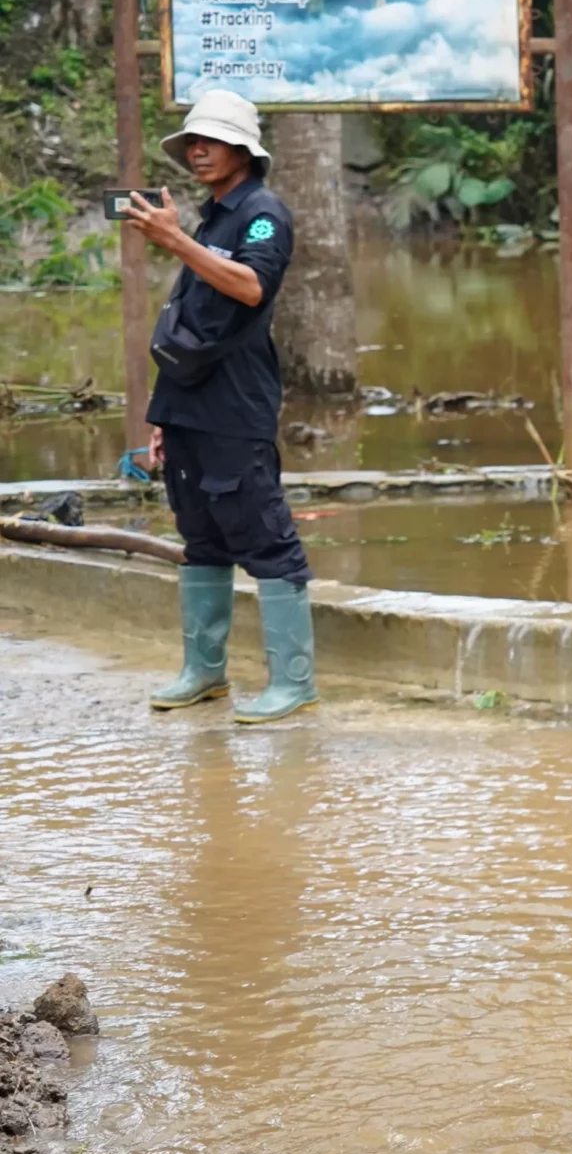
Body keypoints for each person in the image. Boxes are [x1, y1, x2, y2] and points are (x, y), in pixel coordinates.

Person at [131, 89, 319, 723]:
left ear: (246, 149)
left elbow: (251, 285)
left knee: (264, 535)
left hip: (237, 406)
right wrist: (161, 416)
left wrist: (177, 240)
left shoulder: (263, 214)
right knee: (201, 537)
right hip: (189, 405)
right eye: (192, 141)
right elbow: (187, 323)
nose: (198, 149)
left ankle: (294, 683)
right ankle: (204, 673)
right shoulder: (212, 219)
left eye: (212, 139)